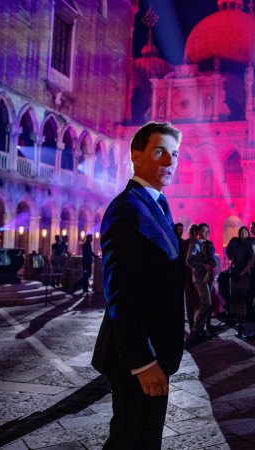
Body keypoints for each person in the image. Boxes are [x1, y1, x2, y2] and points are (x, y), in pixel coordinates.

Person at [91, 121, 185, 449]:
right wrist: (142, 361)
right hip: (138, 358)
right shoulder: (128, 209)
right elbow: (121, 292)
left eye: (175, 154)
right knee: (132, 440)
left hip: (156, 349)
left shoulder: (155, 204)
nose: (169, 161)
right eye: (160, 152)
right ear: (137, 155)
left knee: (142, 438)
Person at [185, 222, 217, 345]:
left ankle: (200, 330)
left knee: (206, 304)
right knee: (206, 303)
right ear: (198, 231)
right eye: (204, 230)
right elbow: (189, 261)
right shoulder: (195, 243)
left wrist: (212, 263)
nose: (206, 233)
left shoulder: (209, 244)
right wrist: (204, 266)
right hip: (199, 277)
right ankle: (194, 331)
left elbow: (212, 259)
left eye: (207, 231)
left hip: (208, 277)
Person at [226, 226, 255, 337]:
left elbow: (251, 262)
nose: (243, 234)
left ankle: (241, 325)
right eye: (241, 232)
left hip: (243, 275)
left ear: (248, 233)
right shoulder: (235, 243)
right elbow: (230, 256)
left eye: (245, 232)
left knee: (241, 300)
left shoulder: (250, 244)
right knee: (235, 299)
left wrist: (242, 273)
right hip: (234, 274)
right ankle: (239, 324)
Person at [183, 224, 200, 333]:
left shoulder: (188, 243)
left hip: (191, 275)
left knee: (193, 301)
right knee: (193, 301)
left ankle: (193, 325)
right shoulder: (190, 243)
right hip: (191, 274)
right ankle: (193, 325)